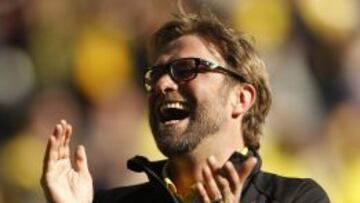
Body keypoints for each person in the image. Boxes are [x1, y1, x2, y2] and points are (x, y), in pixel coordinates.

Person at [40, 11, 330, 203]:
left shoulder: (297, 198)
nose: (162, 84)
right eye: (155, 74)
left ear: (241, 98)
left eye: (186, 69)